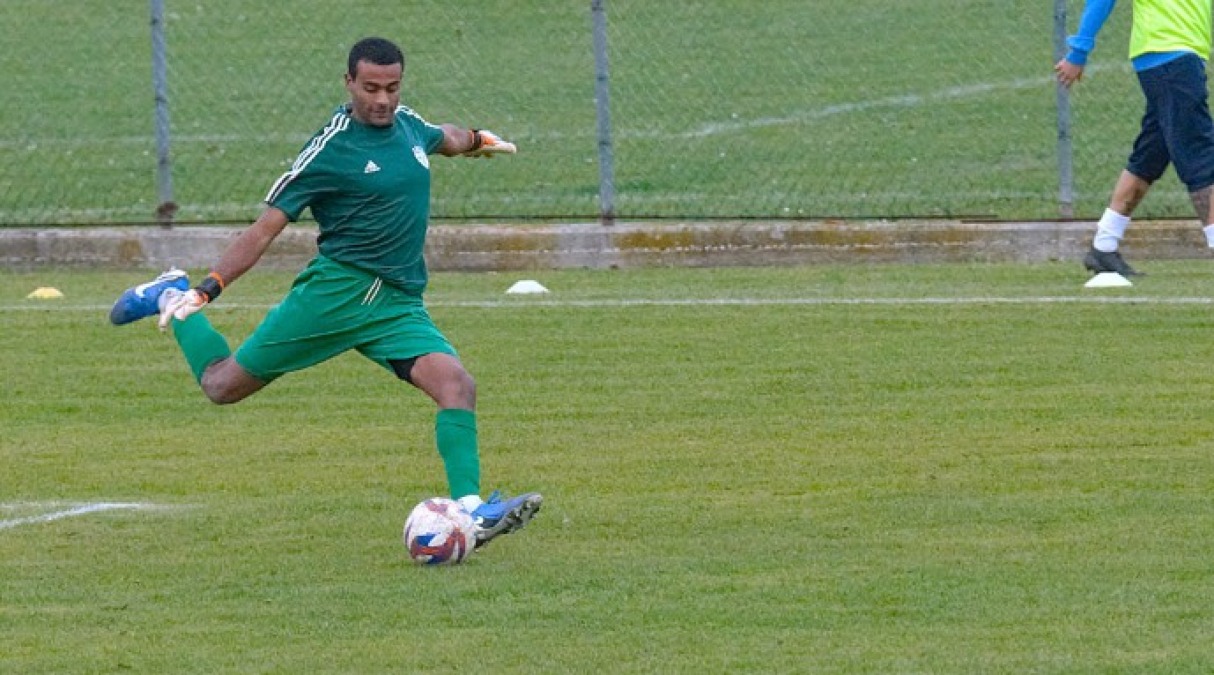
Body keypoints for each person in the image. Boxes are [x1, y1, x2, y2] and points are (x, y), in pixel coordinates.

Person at [109, 37, 541, 550]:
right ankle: (170, 296)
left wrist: (475, 139)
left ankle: (471, 512)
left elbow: (441, 137)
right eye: (371, 88)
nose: (382, 100)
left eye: (393, 88)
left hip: (397, 301)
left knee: (456, 385)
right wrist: (207, 289)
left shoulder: (408, 126)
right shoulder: (330, 149)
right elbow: (264, 229)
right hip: (336, 294)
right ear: (349, 83)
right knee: (222, 387)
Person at [1055, 0, 1214, 277]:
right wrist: (1079, 51)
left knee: (1151, 154)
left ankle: (1104, 246)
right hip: (1169, 56)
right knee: (1202, 160)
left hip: (1179, 58)